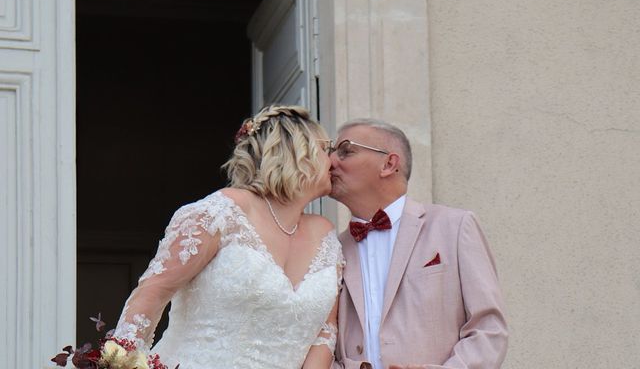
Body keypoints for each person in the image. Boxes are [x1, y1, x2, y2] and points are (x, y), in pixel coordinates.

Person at [113, 105, 343, 369]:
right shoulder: (219, 213)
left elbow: (325, 332)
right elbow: (152, 293)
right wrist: (121, 362)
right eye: (326, 149)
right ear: (297, 152)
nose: (333, 161)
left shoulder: (325, 234)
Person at [330, 119, 508, 369]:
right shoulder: (331, 250)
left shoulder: (455, 227)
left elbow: (489, 330)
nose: (331, 161)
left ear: (388, 164)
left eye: (346, 150)